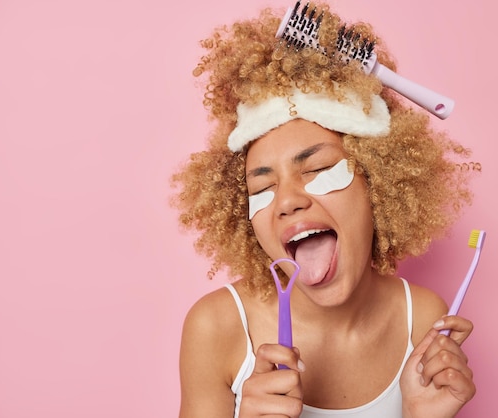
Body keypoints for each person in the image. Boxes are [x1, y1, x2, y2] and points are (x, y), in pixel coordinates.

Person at [172, 1, 479, 417]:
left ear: (380, 182)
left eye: (316, 169)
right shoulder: (217, 328)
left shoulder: (424, 321)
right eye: (262, 187)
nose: (286, 200)